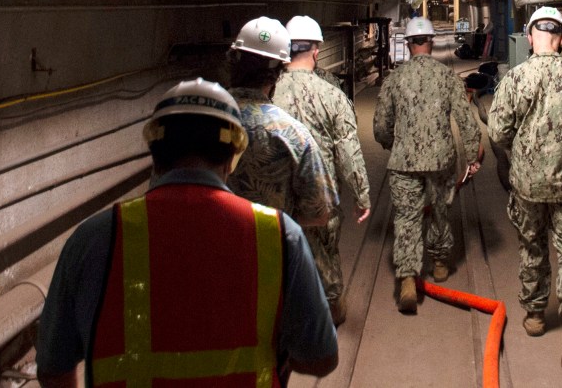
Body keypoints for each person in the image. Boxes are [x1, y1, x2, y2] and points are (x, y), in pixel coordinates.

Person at [36, 78, 338, 387]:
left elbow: (52, 367)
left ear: (155, 153)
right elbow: (320, 358)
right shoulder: (278, 235)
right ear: (232, 155)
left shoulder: (93, 238)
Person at [487, 6, 562, 372]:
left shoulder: (515, 79)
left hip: (527, 185)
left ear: (529, 37)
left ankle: (536, 315)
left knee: (533, 246)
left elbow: (497, 132)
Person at [373, 16, 482, 313]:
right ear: (431, 43)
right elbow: (466, 121)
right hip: (441, 160)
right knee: (440, 212)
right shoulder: (446, 77)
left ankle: (408, 277)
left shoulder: (394, 79)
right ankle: (439, 263)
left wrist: (391, 144)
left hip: (403, 162)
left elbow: (381, 125)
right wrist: (472, 158)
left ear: (408, 44)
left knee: (407, 219)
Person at [273, 15, 372, 326]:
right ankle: (331, 313)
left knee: (277, 258)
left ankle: (282, 316)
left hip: (273, 200)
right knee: (325, 255)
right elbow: (348, 152)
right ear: (316, 51)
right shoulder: (332, 95)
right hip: (320, 197)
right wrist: (362, 195)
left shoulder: (267, 92)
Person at [226, 16, 335, 229]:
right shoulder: (292, 134)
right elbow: (320, 213)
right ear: (278, 72)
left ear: (234, 60)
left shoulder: (199, 121)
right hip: (268, 253)